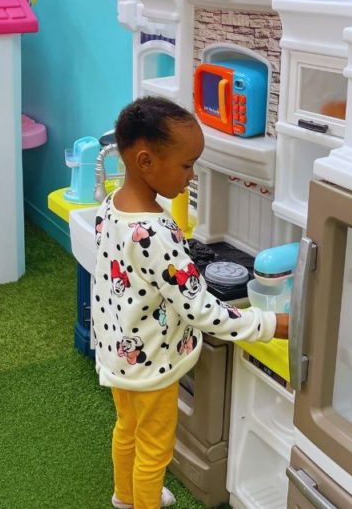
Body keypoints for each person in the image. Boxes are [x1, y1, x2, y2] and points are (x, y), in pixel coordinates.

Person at [91, 96, 290, 509]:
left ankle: (124, 497)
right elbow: (203, 311)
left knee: (127, 428)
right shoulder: (157, 232)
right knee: (154, 450)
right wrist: (271, 323)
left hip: (119, 355)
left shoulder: (112, 206)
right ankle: (141, 502)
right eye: (186, 165)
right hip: (152, 366)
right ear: (145, 161)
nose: (191, 175)